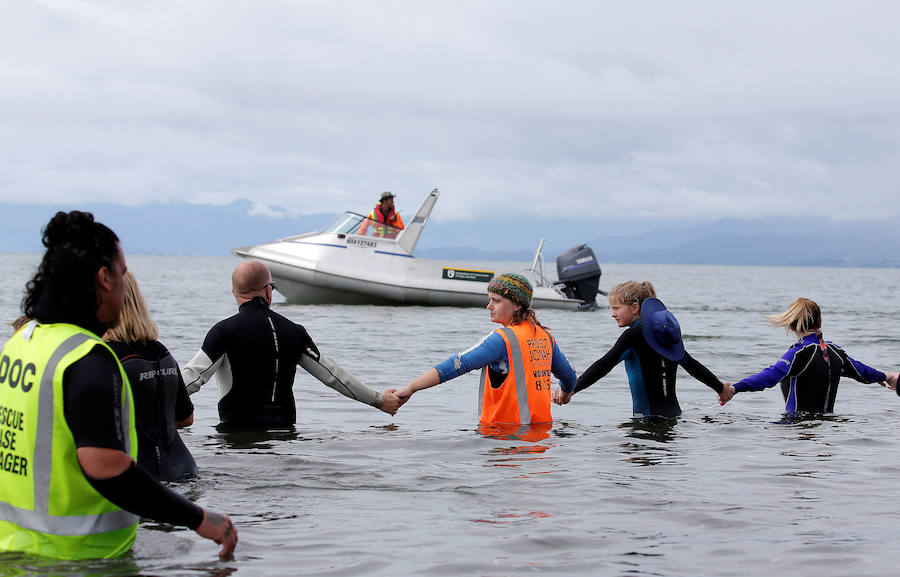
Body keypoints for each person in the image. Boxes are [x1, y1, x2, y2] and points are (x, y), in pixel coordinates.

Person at [0, 211, 236, 560]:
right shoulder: (89, 360)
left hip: (16, 550)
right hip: (85, 558)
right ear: (104, 279)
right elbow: (109, 471)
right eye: (123, 273)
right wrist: (198, 518)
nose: (126, 284)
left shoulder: (23, 343)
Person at [182, 260, 402, 428]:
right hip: (285, 441)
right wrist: (380, 400)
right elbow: (334, 376)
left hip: (237, 440)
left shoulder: (223, 332)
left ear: (234, 293)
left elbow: (192, 379)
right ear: (268, 290)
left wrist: (151, 398)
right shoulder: (294, 331)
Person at [397, 273, 577, 425]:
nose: (489, 306)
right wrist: (565, 395)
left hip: (505, 440)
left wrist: (411, 388)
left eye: (496, 301)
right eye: (489, 300)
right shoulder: (546, 337)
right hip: (540, 442)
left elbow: (456, 364)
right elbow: (568, 376)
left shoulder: (502, 339)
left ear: (517, 305)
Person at [555, 281, 723, 418]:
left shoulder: (632, 336)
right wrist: (721, 389)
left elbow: (603, 365)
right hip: (674, 417)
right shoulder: (665, 333)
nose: (613, 314)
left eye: (616, 308)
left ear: (635, 307)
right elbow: (693, 366)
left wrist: (571, 390)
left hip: (646, 421)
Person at [718, 298, 899, 414]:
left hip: (796, 428)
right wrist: (888, 376)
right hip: (827, 427)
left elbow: (769, 376)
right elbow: (861, 372)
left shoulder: (799, 354)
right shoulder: (835, 353)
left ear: (790, 325)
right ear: (820, 322)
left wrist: (735, 389)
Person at [103, 271, 198, 482]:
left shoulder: (105, 357)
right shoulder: (161, 351)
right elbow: (186, 418)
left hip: (142, 479)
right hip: (185, 468)